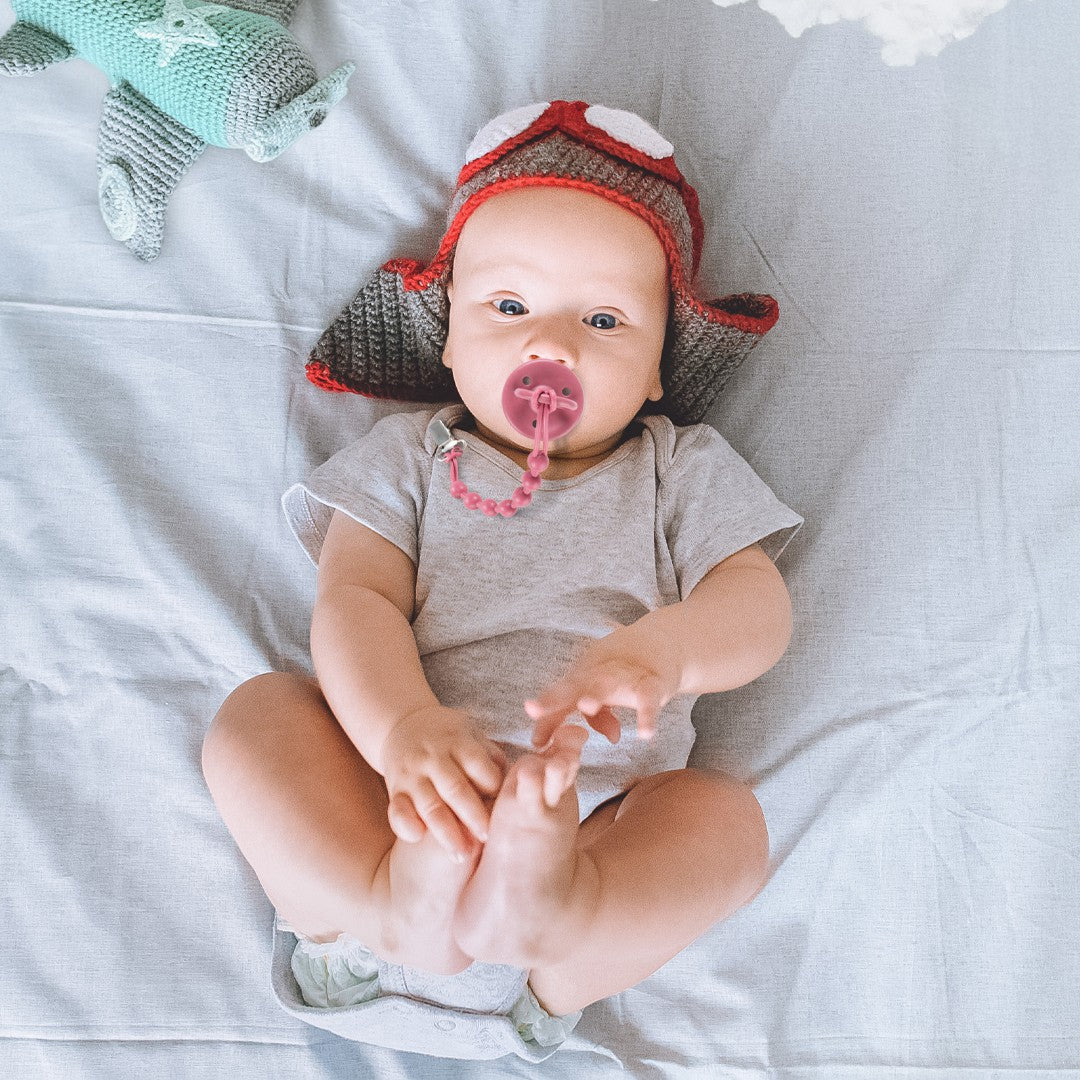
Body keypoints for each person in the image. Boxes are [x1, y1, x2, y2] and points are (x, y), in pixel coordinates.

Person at [201, 100, 803, 1061]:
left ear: (657, 367)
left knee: (724, 824)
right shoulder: (411, 456)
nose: (551, 347)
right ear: (447, 339)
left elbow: (757, 608)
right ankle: (384, 904)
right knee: (257, 718)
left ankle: (566, 917)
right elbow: (354, 602)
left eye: (603, 319)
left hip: (590, 832)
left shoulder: (679, 471)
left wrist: (667, 651)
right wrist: (401, 729)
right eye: (510, 308)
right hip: (391, 810)